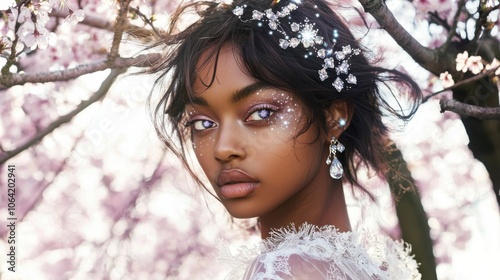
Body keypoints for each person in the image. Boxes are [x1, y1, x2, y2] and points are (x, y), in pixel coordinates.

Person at [148, 0, 422, 279]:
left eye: (261, 113)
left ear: (334, 118)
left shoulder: (280, 271)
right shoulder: (379, 272)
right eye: (203, 123)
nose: (223, 148)